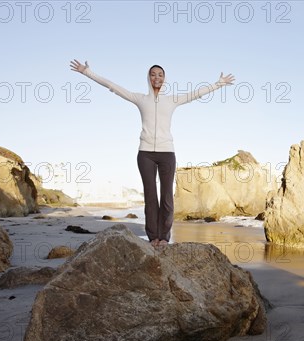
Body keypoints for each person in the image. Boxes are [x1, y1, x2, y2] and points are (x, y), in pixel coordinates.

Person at [70, 59, 235, 246]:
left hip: (167, 153)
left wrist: (219, 83)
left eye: (160, 74)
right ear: (148, 78)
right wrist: (87, 72)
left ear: (164, 79)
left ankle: (164, 237)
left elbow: (195, 94)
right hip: (145, 154)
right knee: (150, 196)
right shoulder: (140, 99)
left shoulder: (172, 100)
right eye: (153, 74)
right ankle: (153, 237)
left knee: (166, 197)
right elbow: (112, 86)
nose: (157, 77)